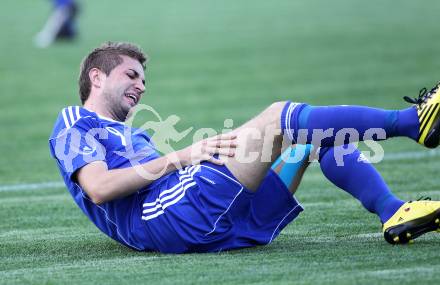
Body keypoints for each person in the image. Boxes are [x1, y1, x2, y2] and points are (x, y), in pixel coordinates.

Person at [49, 42, 440, 253]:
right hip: (168, 219)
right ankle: (411, 123)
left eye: (144, 80)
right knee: (276, 116)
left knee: (313, 138)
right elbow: (98, 189)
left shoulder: (131, 134)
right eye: (131, 75)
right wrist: (185, 155)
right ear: (96, 77)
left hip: (193, 218)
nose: (141, 86)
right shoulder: (74, 121)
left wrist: (183, 160)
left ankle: (393, 212)